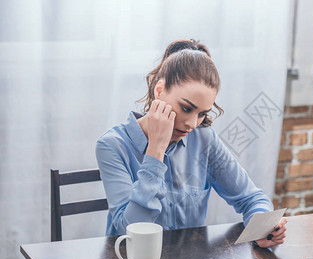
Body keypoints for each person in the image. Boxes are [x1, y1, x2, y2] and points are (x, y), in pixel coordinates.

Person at [96, 39, 286, 248]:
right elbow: (129, 233)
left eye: (202, 114)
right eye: (186, 108)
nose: (192, 124)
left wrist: (265, 227)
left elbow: (252, 199)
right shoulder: (112, 146)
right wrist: (156, 152)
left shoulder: (204, 140)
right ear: (159, 90)